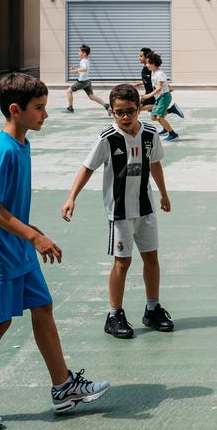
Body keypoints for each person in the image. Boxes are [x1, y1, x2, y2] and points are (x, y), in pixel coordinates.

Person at [0, 73, 110, 430]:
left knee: (42, 307)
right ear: (16, 110)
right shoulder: (4, 150)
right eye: (39, 108)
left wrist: (32, 234)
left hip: (18, 248)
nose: (46, 115)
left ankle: (63, 387)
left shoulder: (22, 143)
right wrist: (33, 237)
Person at [61, 84, 173, 339]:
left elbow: (155, 164)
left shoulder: (150, 134)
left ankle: (153, 308)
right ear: (111, 111)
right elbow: (87, 168)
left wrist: (164, 194)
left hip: (146, 208)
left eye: (130, 111)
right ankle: (114, 314)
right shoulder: (107, 138)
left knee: (152, 258)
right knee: (122, 262)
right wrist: (71, 197)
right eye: (119, 112)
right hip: (120, 211)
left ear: (139, 110)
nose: (125, 117)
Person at [137, 47, 185, 120]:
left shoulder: (150, 68)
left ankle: (167, 110)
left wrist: (168, 87)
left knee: (139, 108)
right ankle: (171, 111)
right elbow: (149, 80)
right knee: (155, 115)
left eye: (141, 56)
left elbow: (159, 80)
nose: (139, 58)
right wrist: (137, 84)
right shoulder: (147, 68)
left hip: (152, 93)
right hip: (150, 93)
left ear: (147, 57)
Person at [65, 44, 108, 113]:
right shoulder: (87, 61)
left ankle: (70, 108)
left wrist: (75, 70)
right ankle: (105, 105)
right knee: (91, 96)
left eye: (79, 52)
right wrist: (76, 69)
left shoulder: (83, 61)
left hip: (82, 82)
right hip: (87, 81)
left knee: (68, 91)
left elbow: (85, 68)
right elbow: (83, 71)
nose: (78, 53)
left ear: (84, 53)